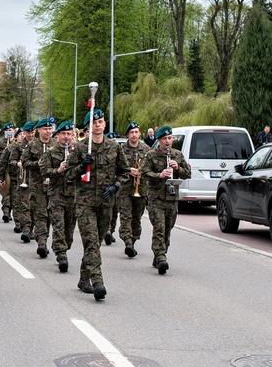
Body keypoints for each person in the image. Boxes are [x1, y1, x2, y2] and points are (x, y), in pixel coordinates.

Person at [64, 108, 130, 300]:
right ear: (88, 127)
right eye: (94, 122)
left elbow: (125, 172)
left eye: (100, 121)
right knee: (91, 242)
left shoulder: (114, 147)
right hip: (84, 203)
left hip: (105, 202)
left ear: (104, 124)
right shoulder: (82, 148)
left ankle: (83, 279)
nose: (98, 125)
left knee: (97, 242)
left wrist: (116, 186)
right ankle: (98, 281)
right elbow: (68, 174)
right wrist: (81, 167)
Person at [140, 125, 191, 274]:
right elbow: (144, 172)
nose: (167, 141)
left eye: (170, 138)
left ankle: (159, 255)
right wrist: (159, 175)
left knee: (168, 228)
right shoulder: (151, 155)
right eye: (164, 139)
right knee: (159, 228)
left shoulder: (177, 154)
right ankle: (161, 257)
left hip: (172, 198)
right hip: (156, 199)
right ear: (159, 140)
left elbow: (187, 174)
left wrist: (177, 169)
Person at [39, 120, 77, 272]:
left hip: (72, 195)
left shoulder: (77, 151)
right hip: (56, 195)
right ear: (57, 136)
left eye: (69, 134)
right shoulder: (50, 152)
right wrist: (58, 171)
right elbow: (43, 170)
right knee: (58, 225)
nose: (66, 137)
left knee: (69, 229)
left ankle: (64, 247)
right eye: (63, 134)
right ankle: (61, 255)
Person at [21, 117, 57, 258]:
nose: (48, 131)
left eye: (50, 129)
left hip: (54, 186)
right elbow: (24, 163)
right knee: (40, 214)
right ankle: (42, 242)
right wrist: (38, 163)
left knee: (50, 215)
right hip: (37, 185)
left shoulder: (55, 144)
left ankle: (44, 239)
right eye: (45, 129)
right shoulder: (32, 145)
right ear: (38, 130)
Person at [117, 122, 150, 258]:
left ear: (140, 133)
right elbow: (115, 167)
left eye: (136, 132)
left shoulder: (147, 149)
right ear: (127, 135)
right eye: (131, 132)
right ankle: (127, 242)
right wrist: (128, 170)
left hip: (141, 189)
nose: (134, 135)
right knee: (126, 216)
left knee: (137, 217)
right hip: (125, 188)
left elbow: (151, 167)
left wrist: (143, 172)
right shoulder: (121, 149)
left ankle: (133, 239)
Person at [9, 121, 35, 237]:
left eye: (33, 132)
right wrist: (18, 164)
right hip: (23, 177)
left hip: (37, 179)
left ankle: (32, 228)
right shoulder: (17, 145)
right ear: (24, 132)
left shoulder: (39, 144)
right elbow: (12, 160)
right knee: (24, 203)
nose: (31, 135)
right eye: (28, 132)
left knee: (35, 205)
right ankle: (25, 228)